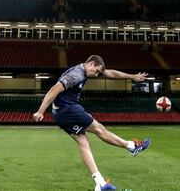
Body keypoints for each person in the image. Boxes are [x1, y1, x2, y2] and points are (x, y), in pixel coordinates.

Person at [33, 55, 151, 191]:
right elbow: (54, 90)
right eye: (95, 71)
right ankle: (131, 146)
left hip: (60, 114)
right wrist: (40, 111)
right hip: (69, 110)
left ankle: (99, 183)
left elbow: (110, 73)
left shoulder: (86, 70)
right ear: (90, 63)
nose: (96, 75)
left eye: (98, 73)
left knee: (83, 142)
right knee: (100, 129)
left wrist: (131, 76)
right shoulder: (76, 75)